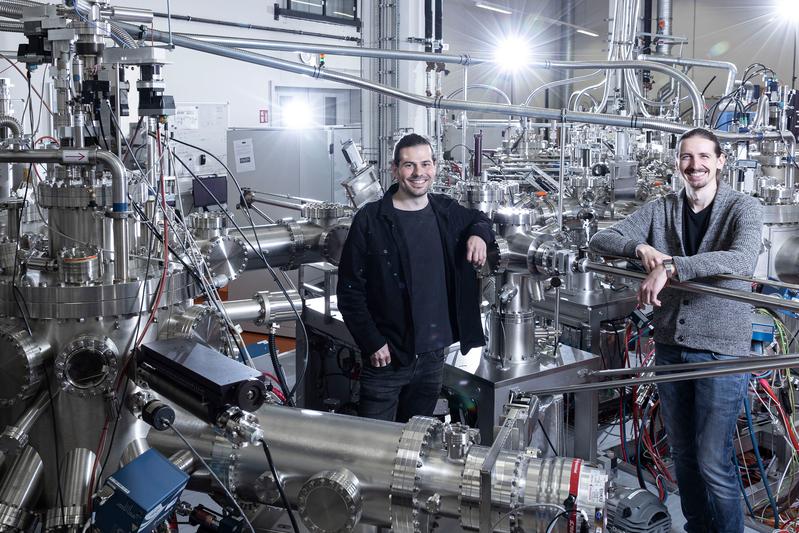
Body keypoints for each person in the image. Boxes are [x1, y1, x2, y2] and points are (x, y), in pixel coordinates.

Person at [590, 128, 763, 533]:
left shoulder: (744, 207)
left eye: (704, 156)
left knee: (712, 460)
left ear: (721, 161)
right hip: (670, 346)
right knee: (683, 453)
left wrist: (671, 266)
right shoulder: (663, 208)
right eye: (687, 156)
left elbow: (741, 259)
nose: (695, 165)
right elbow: (602, 238)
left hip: (721, 352)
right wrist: (640, 249)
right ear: (677, 163)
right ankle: (698, 527)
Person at [336, 133, 494, 422]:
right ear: (395, 170)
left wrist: (478, 236)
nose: (419, 173)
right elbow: (349, 290)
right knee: (374, 443)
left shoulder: (446, 211)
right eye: (409, 165)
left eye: (425, 164)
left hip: (434, 356)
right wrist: (372, 341)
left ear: (434, 166)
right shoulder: (371, 220)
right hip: (387, 356)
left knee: (414, 439)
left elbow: (481, 219)